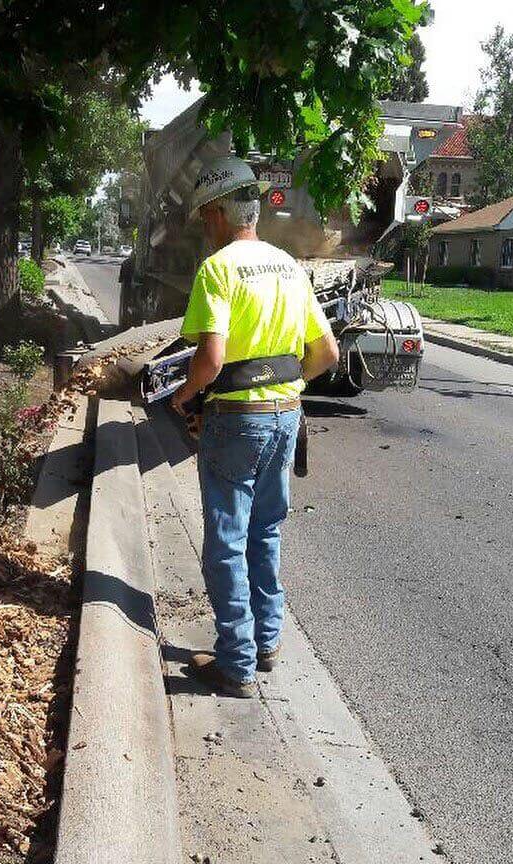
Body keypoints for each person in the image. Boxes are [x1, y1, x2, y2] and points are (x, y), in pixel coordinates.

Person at [170, 156, 340, 699]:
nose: (204, 227)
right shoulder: (290, 266)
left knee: (225, 540)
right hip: (285, 417)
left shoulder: (218, 270)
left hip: (235, 422)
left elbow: (210, 360)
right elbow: (327, 353)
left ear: (220, 214)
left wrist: (185, 396)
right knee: (265, 531)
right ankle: (267, 643)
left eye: (204, 217)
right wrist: (284, 389)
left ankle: (235, 663)